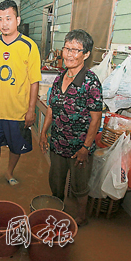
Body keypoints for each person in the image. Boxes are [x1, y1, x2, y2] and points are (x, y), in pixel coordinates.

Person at [39, 29, 102, 226]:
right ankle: (58, 211)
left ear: (86, 54)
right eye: (67, 48)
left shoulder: (91, 82)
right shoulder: (59, 78)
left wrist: (85, 148)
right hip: (58, 143)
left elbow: (96, 119)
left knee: (79, 186)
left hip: (78, 148)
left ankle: (82, 217)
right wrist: (43, 133)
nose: (69, 54)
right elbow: (51, 108)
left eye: (76, 50)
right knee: (56, 182)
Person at [0, 0, 41, 191]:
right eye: (0, 19)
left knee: (16, 146)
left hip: (19, 111)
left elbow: (34, 81)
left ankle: (9, 172)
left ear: (17, 20)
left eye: (8, 18)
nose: (4, 23)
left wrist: (31, 110)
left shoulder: (29, 46)